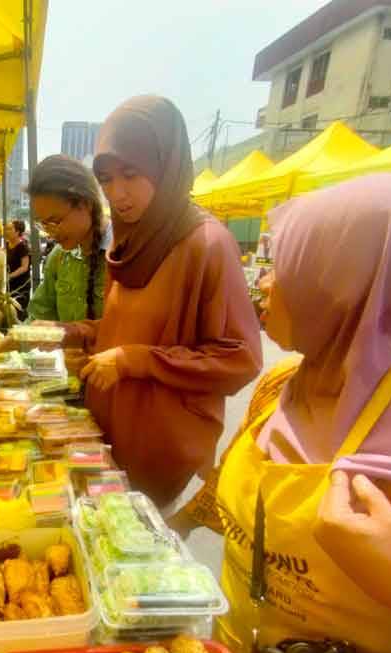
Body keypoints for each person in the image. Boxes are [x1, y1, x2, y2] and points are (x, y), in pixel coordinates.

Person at [181, 175, 391, 653]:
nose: (264, 283)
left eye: (285, 268)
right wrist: (168, 528)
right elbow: (235, 484)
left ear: (346, 288)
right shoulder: (282, 384)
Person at [65, 96, 262, 506]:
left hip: (162, 450)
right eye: (106, 179)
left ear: (164, 164)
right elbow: (130, 327)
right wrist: (78, 335)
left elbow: (239, 359)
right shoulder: (130, 241)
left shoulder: (207, 245)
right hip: (109, 435)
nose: (117, 193)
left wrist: (135, 360)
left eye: (130, 174)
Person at [0, 155, 110, 371]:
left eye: (55, 221)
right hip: (75, 380)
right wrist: (2, 345)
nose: (50, 233)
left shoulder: (123, 256)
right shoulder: (59, 257)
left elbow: (134, 333)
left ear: (85, 204)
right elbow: (40, 316)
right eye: (43, 224)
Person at [5, 220, 32, 319]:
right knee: (9, 312)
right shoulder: (7, 244)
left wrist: (10, 276)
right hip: (10, 284)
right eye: (6, 229)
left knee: (18, 312)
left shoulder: (22, 246)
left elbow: (24, 267)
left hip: (21, 285)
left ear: (17, 232)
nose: (6, 231)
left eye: (9, 229)